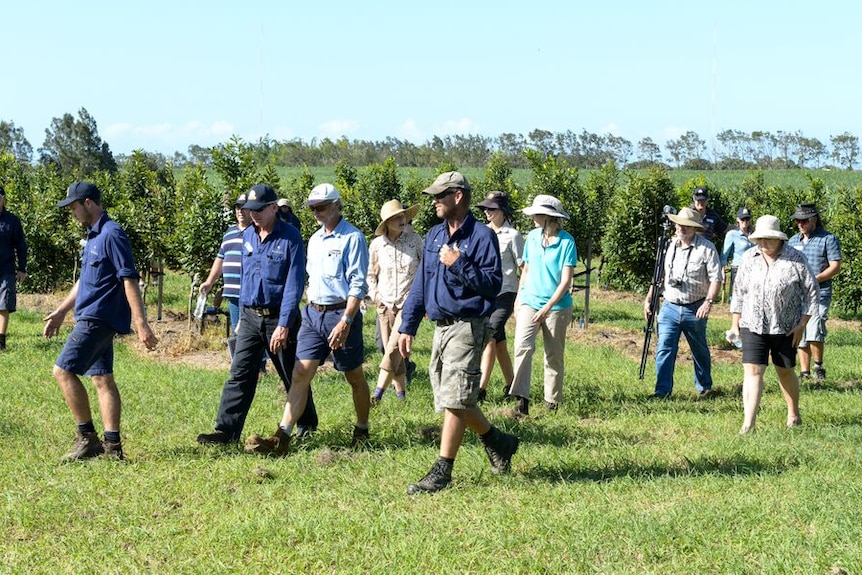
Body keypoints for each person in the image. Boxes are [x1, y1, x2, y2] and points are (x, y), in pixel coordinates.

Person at [397, 171, 518, 494]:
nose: (434, 201)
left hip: (468, 325)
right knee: (457, 396)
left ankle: (442, 470)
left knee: (454, 397)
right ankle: (498, 441)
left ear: (458, 196)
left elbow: (493, 286)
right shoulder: (435, 235)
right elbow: (421, 285)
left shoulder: (481, 237)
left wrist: (459, 263)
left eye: (440, 195)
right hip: (440, 328)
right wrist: (407, 326)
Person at [244, 183, 371, 455]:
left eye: (321, 207)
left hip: (341, 314)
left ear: (337, 205)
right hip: (313, 314)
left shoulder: (353, 238)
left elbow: (358, 285)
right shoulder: (313, 240)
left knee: (354, 376)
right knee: (300, 373)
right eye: (312, 208)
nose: (316, 212)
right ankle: (283, 435)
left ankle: (362, 428)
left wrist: (346, 321)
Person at [43, 181, 158, 461]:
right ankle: (113, 448)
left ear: (89, 203)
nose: (72, 213)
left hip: (98, 318)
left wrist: (141, 323)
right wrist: (61, 311)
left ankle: (87, 438)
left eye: (74, 207)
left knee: (63, 371)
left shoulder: (112, 234)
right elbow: (85, 281)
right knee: (102, 378)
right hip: (90, 315)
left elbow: (129, 279)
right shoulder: (94, 236)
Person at [197, 184, 318, 446]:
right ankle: (226, 432)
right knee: (240, 372)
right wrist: (241, 317)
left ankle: (306, 425)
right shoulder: (248, 237)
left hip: (279, 318)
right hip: (251, 316)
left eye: (259, 210)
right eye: (250, 210)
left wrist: (284, 324)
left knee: (292, 375)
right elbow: (246, 279)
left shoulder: (290, 238)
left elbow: (293, 284)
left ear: (274, 207)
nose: (253, 215)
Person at [728, 215, 818, 433]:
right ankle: (748, 423)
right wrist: (734, 324)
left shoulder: (796, 259)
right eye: (760, 238)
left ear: (779, 239)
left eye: (769, 238)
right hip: (752, 323)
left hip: (785, 327)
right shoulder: (749, 258)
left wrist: (802, 325)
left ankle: (793, 414)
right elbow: (738, 293)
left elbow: (811, 293)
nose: (764, 243)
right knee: (753, 370)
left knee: (784, 370)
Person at [643, 207, 722, 399]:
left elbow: (716, 278)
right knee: (664, 348)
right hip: (670, 306)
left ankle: (704, 387)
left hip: (695, 307)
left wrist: (708, 302)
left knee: (699, 350)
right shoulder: (668, 246)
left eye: (686, 225)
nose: (681, 228)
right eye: (679, 224)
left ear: (695, 228)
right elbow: (659, 275)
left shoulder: (706, 248)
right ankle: (662, 391)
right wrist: (649, 297)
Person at [508, 194, 576, 415]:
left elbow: (566, 280)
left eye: (537, 213)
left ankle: (552, 402)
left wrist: (547, 308)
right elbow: (526, 269)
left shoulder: (567, 242)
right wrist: (519, 300)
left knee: (553, 355)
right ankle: (521, 400)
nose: (533, 217)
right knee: (522, 347)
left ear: (549, 217)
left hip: (556, 307)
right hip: (530, 301)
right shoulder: (532, 238)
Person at [199, 192, 266, 373]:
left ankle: (259, 367)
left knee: (254, 331)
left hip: (250, 293)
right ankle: (242, 368)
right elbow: (220, 259)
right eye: (238, 208)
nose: (240, 212)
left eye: (244, 208)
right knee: (238, 331)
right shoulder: (229, 232)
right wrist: (209, 281)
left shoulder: (256, 232)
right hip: (233, 293)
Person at [368, 199, 423, 405]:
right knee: (390, 348)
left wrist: (421, 298)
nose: (402, 220)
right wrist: (375, 296)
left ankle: (378, 393)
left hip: (409, 303)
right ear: (387, 223)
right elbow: (369, 274)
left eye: (403, 216)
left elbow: (426, 270)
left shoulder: (415, 241)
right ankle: (401, 396)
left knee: (392, 346)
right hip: (385, 303)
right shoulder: (377, 245)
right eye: (396, 218)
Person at [475, 191, 523, 403]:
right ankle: (513, 385)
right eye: (485, 208)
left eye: (492, 209)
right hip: (486, 294)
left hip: (506, 293)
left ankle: (480, 389)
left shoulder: (513, 236)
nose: (487, 212)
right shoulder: (482, 233)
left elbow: (524, 267)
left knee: (489, 337)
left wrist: (521, 297)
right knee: (499, 342)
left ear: (502, 210)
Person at [787, 203, 842, 385]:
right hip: (798, 294)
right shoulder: (793, 241)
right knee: (800, 332)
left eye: (803, 220)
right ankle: (805, 371)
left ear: (814, 219)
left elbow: (835, 267)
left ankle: (818, 367)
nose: (800, 224)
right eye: (797, 220)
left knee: (815, 329)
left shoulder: (828, 239)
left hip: (820, 292)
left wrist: (813, 279)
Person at [0, 185, 28, 352]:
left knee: (3, 305)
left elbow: (21, 246)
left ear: (3, 199)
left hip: (6, 269)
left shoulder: (12, 220)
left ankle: (1, 343)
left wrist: (22, 268)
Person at [720, 207, 755, 300]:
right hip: (738, 269)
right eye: (742, 219)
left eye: (747, 219)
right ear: (738, 219)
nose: (745, 221)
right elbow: (724, 255)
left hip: (753, 270)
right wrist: (722, 271)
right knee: (737, 298)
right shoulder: (732, 234)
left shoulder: (754, 234)